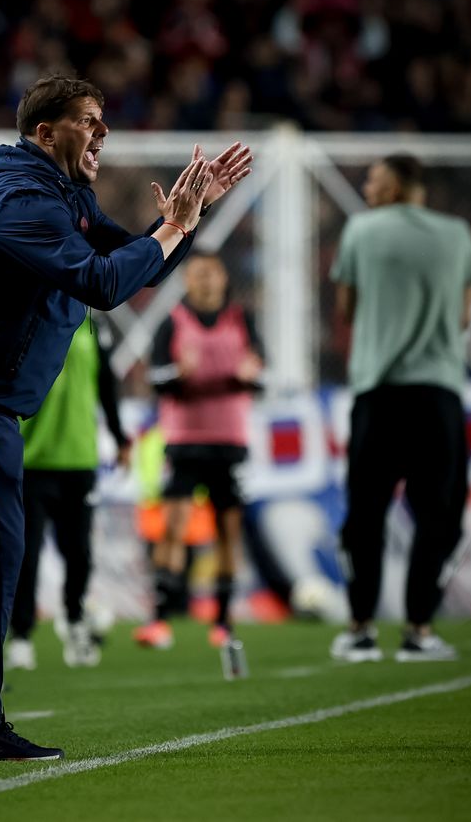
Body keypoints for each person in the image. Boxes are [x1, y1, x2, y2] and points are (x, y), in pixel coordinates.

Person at [0, 74, 253, 763]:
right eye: (91, 120)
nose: (104, 131)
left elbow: (130, 259)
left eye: (104, 118)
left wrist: (184, 216)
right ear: (46, 133)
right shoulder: (25, 201)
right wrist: (173, 229)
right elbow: (102, 284)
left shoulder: (60, 196)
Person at [330, 154, 471, 663]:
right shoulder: (459, 235)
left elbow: (346, 309)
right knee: (438, 516)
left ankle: (360, 629)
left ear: (394, 184)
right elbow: (463, 313)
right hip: (438, 392)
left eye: (372, 179)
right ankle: (419, 630)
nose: (368, 187)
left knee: (366, 514)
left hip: (378, 391)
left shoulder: (361, 231)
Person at [133, 251, 263, 652]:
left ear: (223, 278)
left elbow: (263, 371)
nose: (205, 281)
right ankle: (159, 620)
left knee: (227, 530)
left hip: (228, 439)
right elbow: (154, 376)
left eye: (211, 273)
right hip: (186, 439)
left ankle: (223, 621)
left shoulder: (243, 320)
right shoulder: (173, 321)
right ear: (186, 280)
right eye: (197, 274)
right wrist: (178, 374)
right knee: (172, 527)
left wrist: (252, 375)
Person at [6, 313, 131, 672]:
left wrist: (121, 436)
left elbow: (106, 382)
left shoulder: (93, 322)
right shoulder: (28, 316)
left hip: (79, 458)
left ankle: (75, 624)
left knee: (79, 552)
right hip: (32, 459)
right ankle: (22, 637)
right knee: (25, 557)